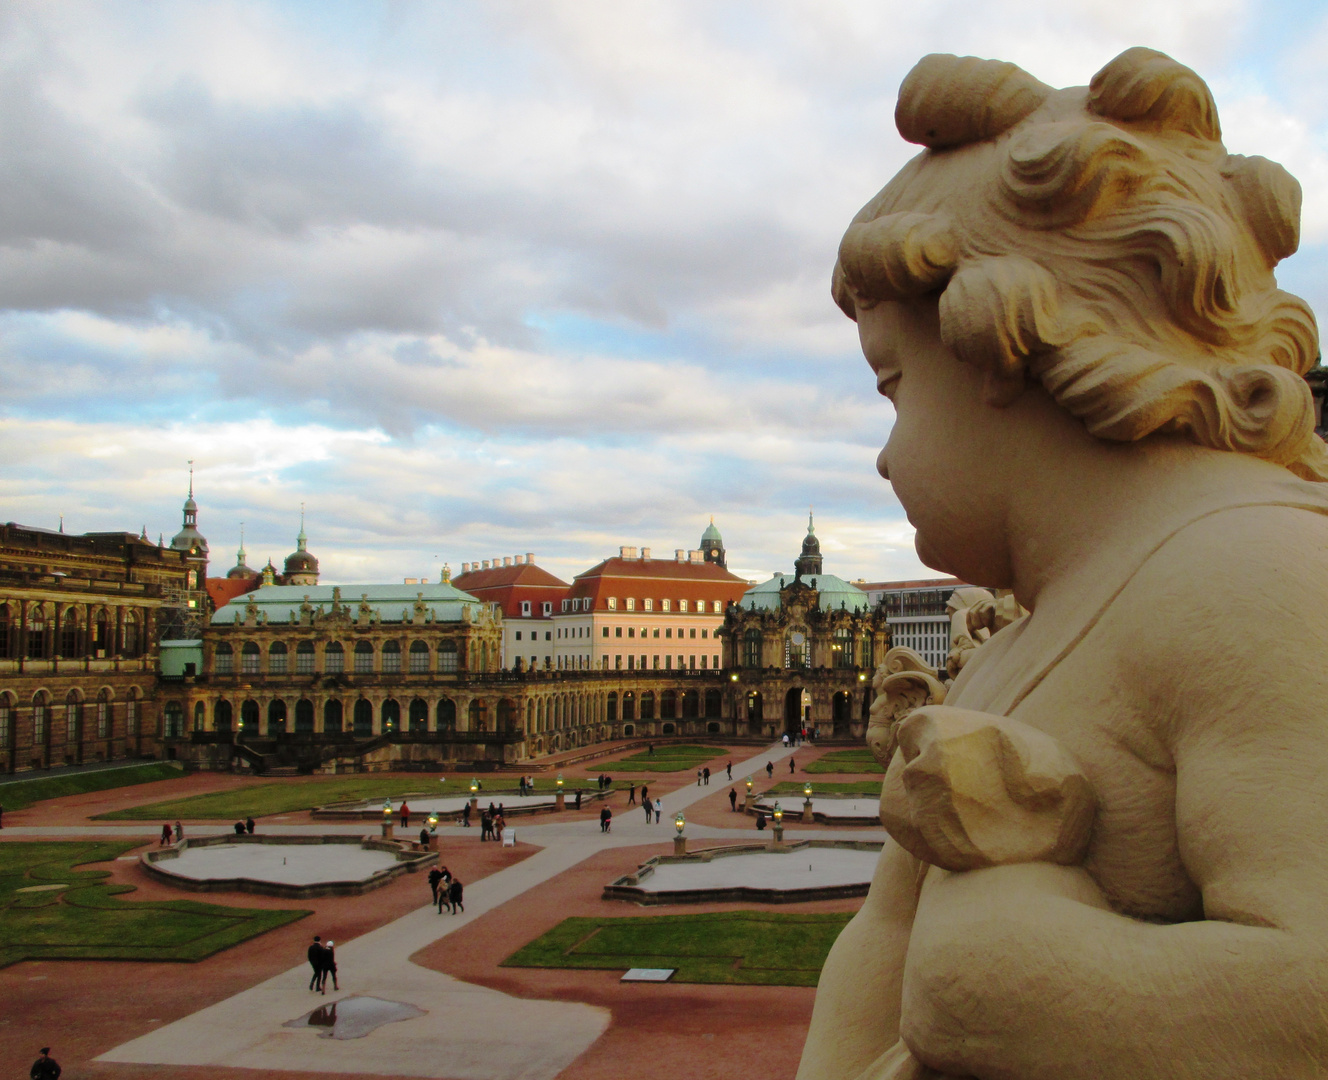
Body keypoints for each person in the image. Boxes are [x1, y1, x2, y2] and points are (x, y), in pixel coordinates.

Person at [801, 47, 1328, 1080]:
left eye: (892, 386)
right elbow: (879, 944)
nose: (883, 452)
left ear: (998, 348)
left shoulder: (1261, 574)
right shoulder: (1025, 639)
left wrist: (995, 982)